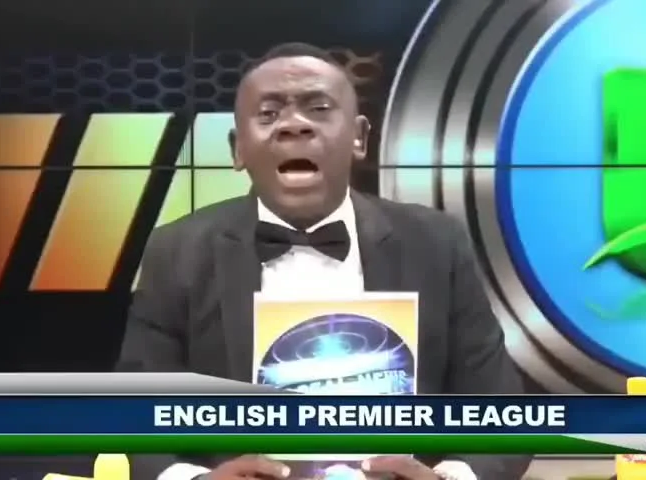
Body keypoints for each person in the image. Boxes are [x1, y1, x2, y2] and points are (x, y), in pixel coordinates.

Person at [119, 42, 528, 480]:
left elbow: (502, 415)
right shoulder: (177, 251)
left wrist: (448, 478)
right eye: (268, 114)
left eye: (317, 109)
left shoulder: (436, 243)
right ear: (238, 148)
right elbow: (137, 418)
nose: (294, 125)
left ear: (359, 137)